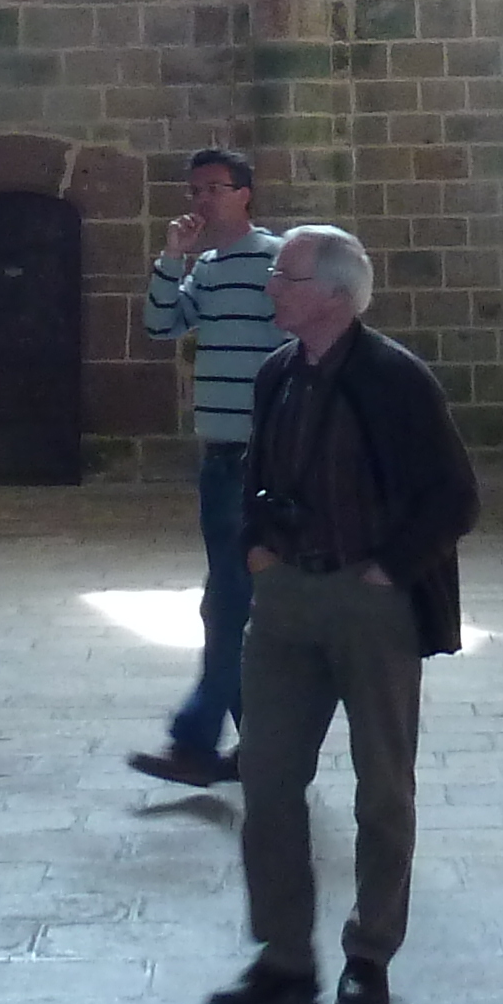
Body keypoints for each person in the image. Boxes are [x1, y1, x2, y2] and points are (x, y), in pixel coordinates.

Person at [211, 225, 479, 1004]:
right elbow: (257, 475)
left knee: (383, 789)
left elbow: (455, 497)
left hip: (371, 605)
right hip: (287, 599)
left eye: (284, 276)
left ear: (332, 293)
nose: (271, 287)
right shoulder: (276, 376)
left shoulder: (395, 380)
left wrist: (388, 568)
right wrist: (256, 549)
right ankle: (284, 956)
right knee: (267, 777)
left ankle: (370, 952)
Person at [128, 146, 285, 788]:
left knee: (228, 603)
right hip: (219, 457)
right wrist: (172, 257)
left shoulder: (280, 260)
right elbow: (160, 324)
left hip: (262, 459)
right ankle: (267, 752)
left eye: (214, 189)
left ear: (245, 194)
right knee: (231, 603)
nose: (200, 201)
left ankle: (196, 740)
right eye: (194, 191)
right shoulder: (211, 268)